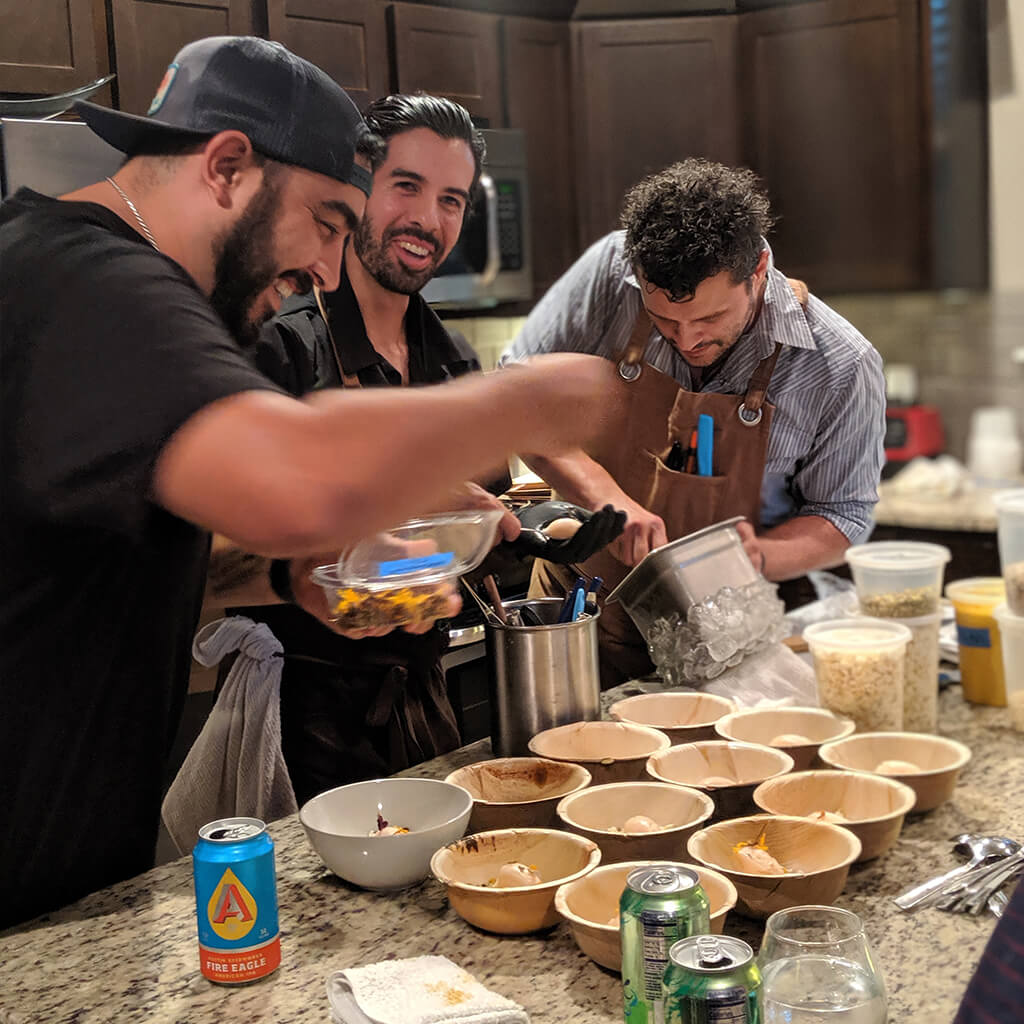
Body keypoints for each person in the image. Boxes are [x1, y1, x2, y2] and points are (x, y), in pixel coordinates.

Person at [0, 37, 616, 929]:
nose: (329, 268)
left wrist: (291, 579)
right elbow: (303, 484)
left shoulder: (85, 283)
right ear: (226, 167)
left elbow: (135, 557)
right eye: (329, 221)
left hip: (67, 883)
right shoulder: (99, 286)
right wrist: (533, 398)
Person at [205, 94, 622, 802]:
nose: (428, 220)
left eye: (451, 199)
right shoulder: (280, 345)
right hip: (297, 714)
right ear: (359, 185)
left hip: (420, 700)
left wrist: (520, 538)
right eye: (407, 186)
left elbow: (454, 546)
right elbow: (211, 555)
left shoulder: (451, 360)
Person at [501, 158, 886, 685]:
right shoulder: (608, 275)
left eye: (710, 318)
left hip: (733, 636)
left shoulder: (840, 365)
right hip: (583, 610)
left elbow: (843, 515)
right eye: (663, 320)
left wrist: (759, 556)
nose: (687, 340)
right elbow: (514, 403)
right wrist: (607, 501)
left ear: (759, 271)